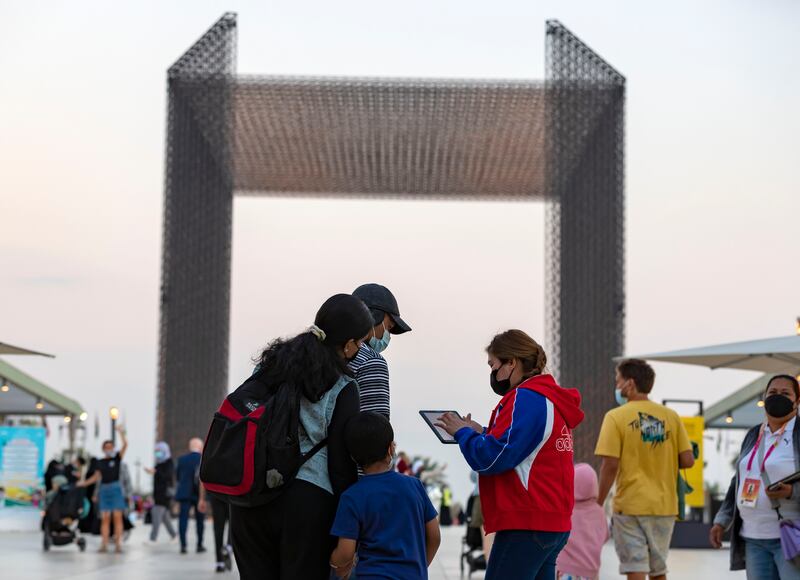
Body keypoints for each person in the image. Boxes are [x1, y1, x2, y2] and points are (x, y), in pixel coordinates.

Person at [229, 293, 373, 579]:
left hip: (251, 498)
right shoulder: (343, 385)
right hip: (307, 502)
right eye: (361, 343)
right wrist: (347, 526)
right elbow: (340, 465)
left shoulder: (269, 367)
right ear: (347, 345)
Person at [437, 329, 584, 580]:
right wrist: (481, 431)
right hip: (554, 521)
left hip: (527, 523)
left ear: (512, 362)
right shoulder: (551, 400)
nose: (492, 373)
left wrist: (463, 434)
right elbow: (524, 447)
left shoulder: (525, 398)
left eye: (493, 365)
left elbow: (493, 457)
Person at [595, 358, 694, 580]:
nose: (617, 387)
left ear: (630, 384)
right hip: (664, 506)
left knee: (635, 566)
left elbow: (610, 464)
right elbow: (687, 460)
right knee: (658, 569)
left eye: (618, 381)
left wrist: (598, 503)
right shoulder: (670, 416)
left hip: (630, 505)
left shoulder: (615, 417)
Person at [330, 412, 441, 579]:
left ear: (352, 457)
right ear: (391, 448)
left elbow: (345, 552)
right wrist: (421, 566)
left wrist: (334, 564)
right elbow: (434, 536)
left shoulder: (352, 496)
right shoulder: (414, 485)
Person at [710, 374, 800, 579]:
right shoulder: (754, 434)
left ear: (797, 400)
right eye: (772, 393)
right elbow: (738, 480)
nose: (778, 397)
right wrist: (722, 520)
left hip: (791, 537)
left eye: (785, 393)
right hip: (753, 538)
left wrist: (792, 492)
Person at [350, 283, 412, 419]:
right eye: (388, 327)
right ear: (373, 317)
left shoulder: (315, 350)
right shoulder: (371, 361)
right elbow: (375, 428)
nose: (387, 335)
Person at [79, 426, 128, 553]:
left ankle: (118, 544)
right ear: (103, 449)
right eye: (106, 447)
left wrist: (121, 433)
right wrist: (84, 483)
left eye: (111, 447)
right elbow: (96, 477)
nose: (109, 449)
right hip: (104, 489)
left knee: (117, 517)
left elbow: (125, 445)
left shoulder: (116, 459)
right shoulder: (100, 462)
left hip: (116, 488)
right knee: (105, 518)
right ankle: (104, 543)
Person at [556, 463, 609, 580]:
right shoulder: (599, 512)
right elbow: (605, 536)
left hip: (566, 569)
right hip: (591, 572)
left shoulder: (566, 510)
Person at [175, 437, 206, 554]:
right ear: (200, 447)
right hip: (199, 494)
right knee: (200, 521)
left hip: (184, 493)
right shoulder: (203, 459)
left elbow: (178, 476)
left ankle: (183, 545)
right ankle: (199, 544)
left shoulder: (182, 459)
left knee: (183, 519)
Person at [144, 441, 177, 543]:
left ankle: (153, 538)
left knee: (156, 514)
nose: (157, 453)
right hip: (158, 493)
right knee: (165, 516)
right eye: (156, 451)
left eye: (159, 451)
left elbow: (167, 476)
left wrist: (155, 472)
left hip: (164, 493)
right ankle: (174, 535)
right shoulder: (159, 464)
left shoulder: (169, 462)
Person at [199, 483, 233, 573]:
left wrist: (202, 499)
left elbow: (202, 478)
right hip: (232, 492)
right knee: (234, 524)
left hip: (216, 493)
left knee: (218, 529)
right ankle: (229, 546)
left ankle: (219, 563)